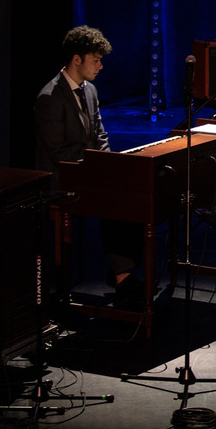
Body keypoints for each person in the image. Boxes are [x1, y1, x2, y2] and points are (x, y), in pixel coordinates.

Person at [35, 25, 139, 304]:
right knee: (113, 197)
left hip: (87, 170)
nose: (101, 66)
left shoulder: (89, 90)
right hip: (61, 177)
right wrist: (95, 170)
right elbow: (58, 152)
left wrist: (106, 163)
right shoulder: (49, 97)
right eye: (96, 60)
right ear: (77, 59)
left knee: (136, 192)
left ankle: (126, 272)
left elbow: (100, 135)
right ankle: (122, 275)